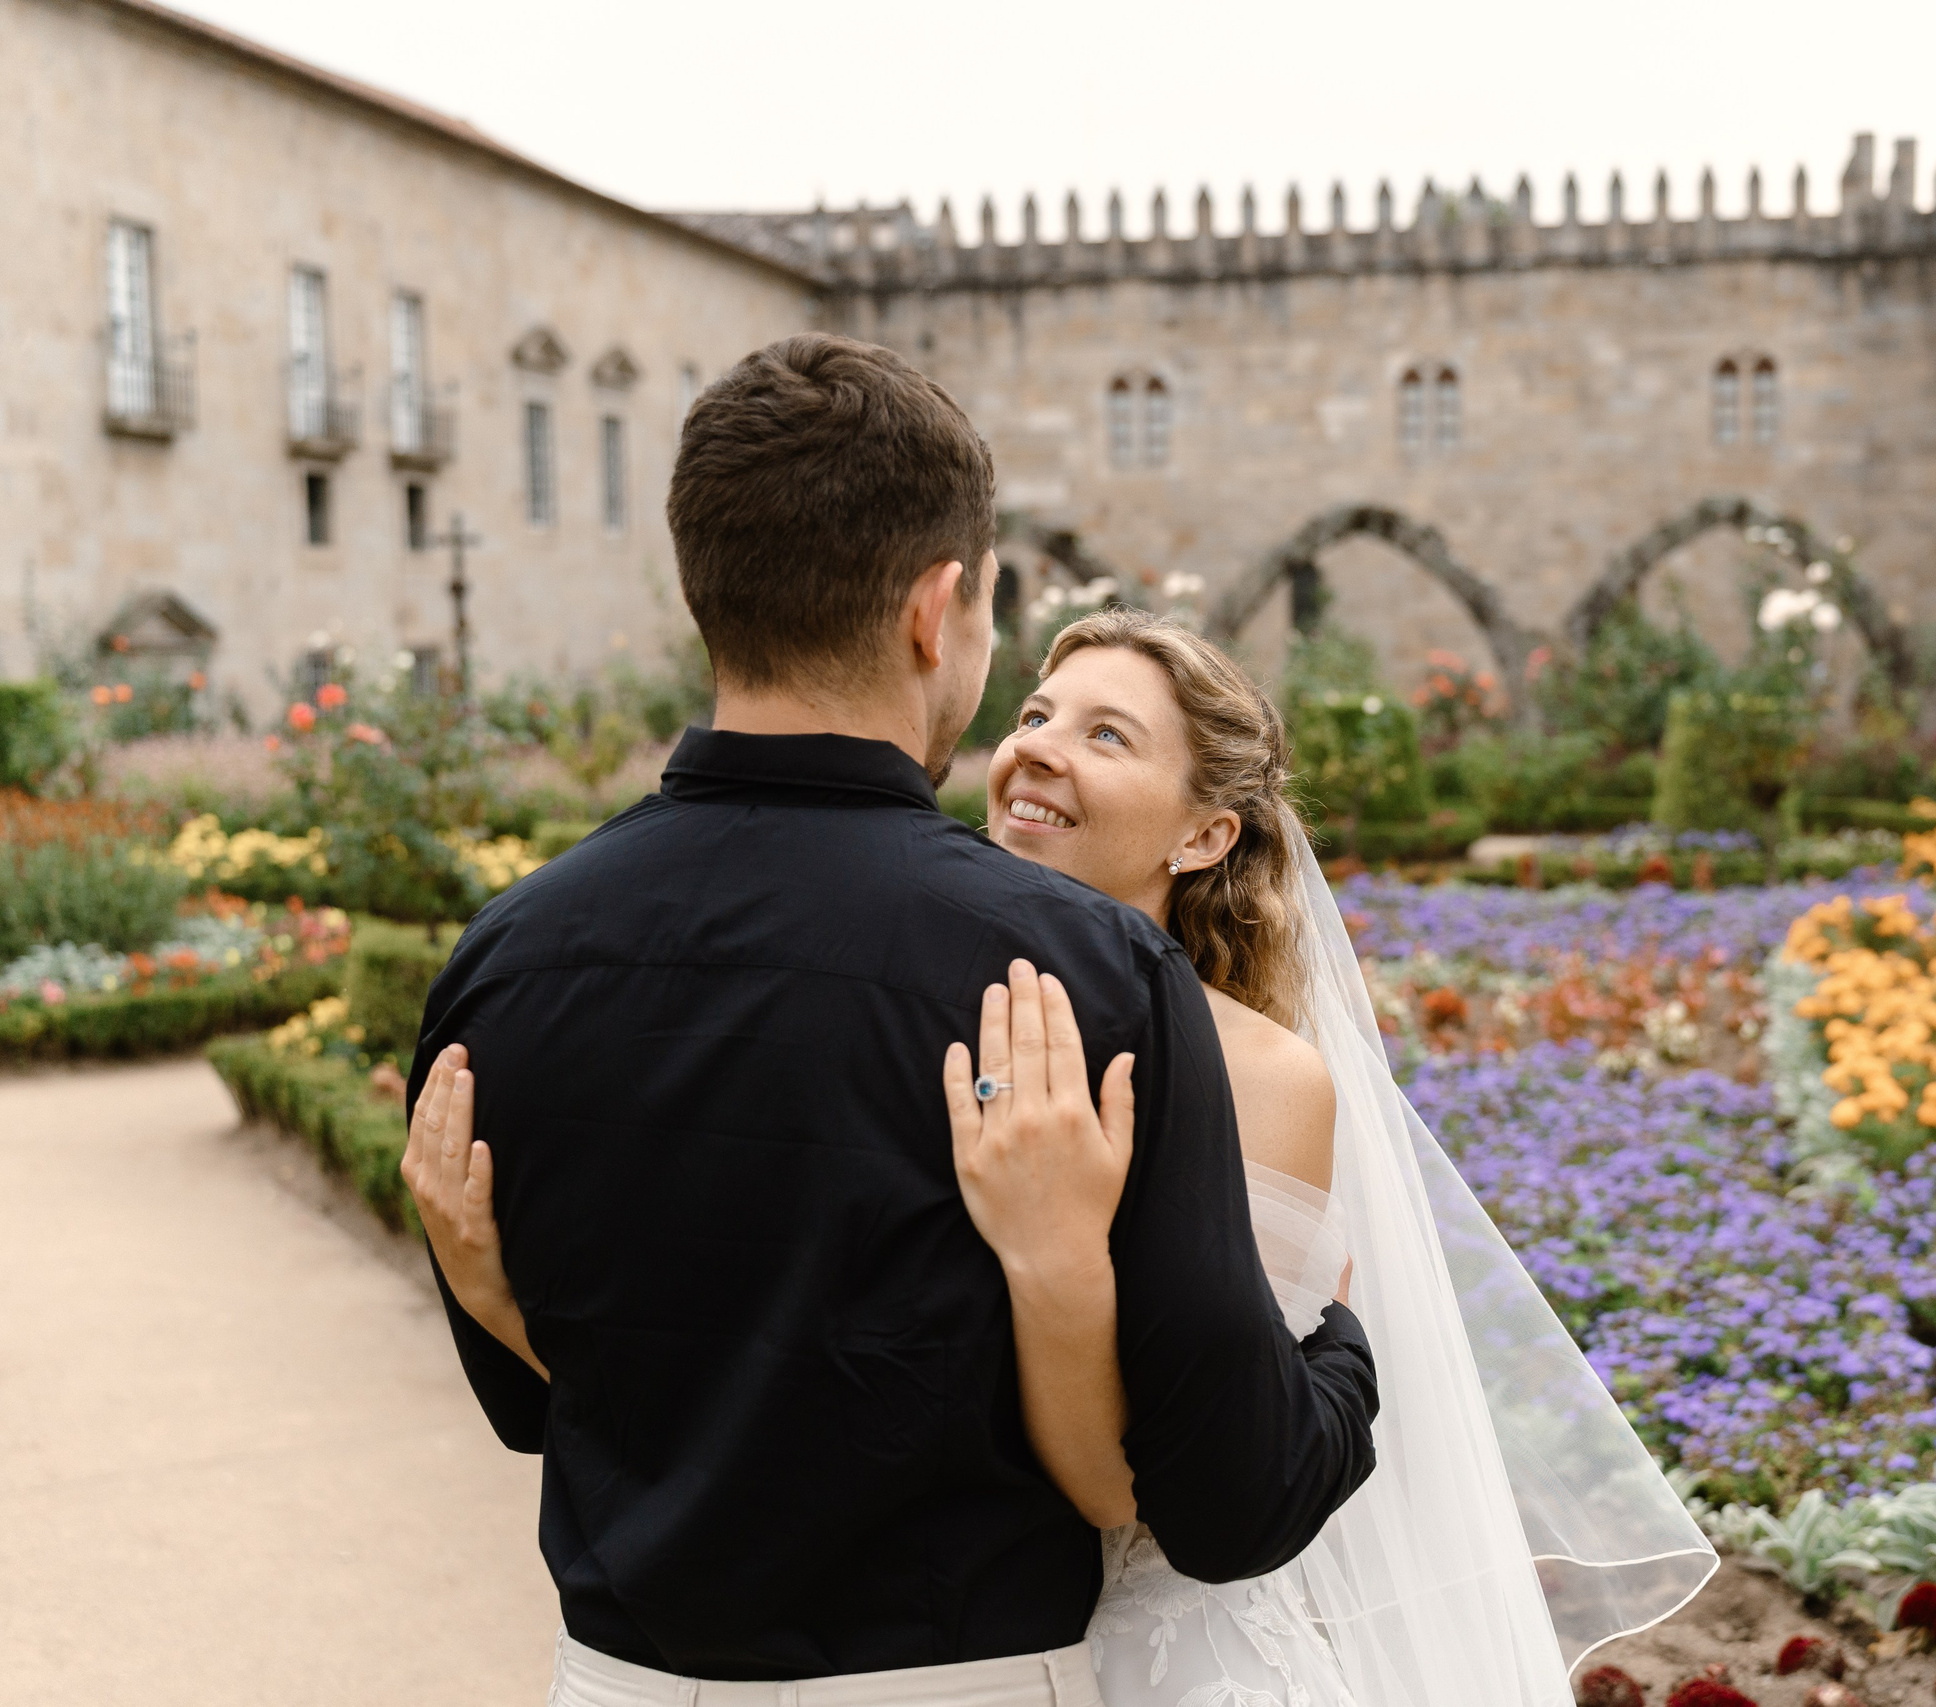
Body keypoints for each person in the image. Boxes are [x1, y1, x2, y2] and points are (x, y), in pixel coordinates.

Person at [411, 602, 1717, 1707]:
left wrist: (1082, 1266)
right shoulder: (918, 1003)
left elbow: (1148, 1495)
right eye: (1036, 713)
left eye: (1106, 734)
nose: (1037, 746)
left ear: (1206, 835)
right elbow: (766, 1369)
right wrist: (491, 1291)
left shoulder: (1260, 1079)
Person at [397, 335, 1380, 1706]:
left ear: (704, 588)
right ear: (937, 609)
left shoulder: (502, 962)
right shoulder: (1087, 980)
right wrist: (1343, 1357)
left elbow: (542, 1403)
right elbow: (1226, 1504)